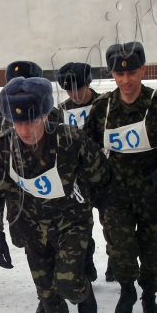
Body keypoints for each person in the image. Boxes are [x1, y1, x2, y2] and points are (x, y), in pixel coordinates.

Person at [0, 77, 112, 313]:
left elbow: (101, 175)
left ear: (44, 115)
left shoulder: (70, 139)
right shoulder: (3, 148)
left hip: (70, 223)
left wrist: (96, 200)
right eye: (17, 122)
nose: (24, 130)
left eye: (31, 121)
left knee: (66, 282)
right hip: (30, 226)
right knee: (46, 290)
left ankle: (83, 292)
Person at [84, 42, 157, 313]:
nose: (126, 80)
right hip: (115, 194)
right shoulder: (102, 108)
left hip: (153, 190)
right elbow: (87, 149)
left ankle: (149, 296)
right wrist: (96, 187)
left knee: (154, 249)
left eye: (132, 73)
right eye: (119, 74)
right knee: (120, 248)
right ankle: (127, 291)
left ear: (143, 70)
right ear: (112, 73)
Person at [0, 60, 63, 313]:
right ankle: (45, 294)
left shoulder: (55, 118)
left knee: (57, 246)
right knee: (32, 247)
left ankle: (61, 287)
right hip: (20, 199)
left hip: (56, 199)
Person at [57, 62, 110, 284]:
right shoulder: (61, 111)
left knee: (111, 223)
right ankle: (86, 262)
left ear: (88, 83)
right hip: (77, 180)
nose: (74, 94)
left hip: (104, 174)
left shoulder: (105, 104)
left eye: (78, 88)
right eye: (69, 90)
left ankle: (115, 260)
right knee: (81, 226)